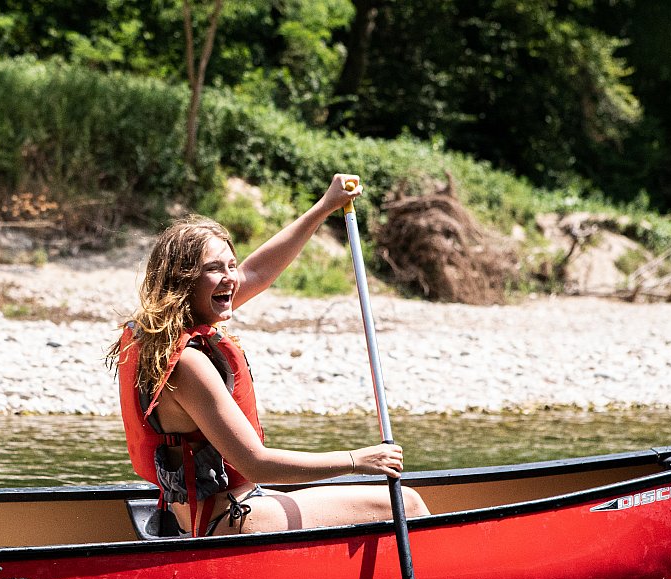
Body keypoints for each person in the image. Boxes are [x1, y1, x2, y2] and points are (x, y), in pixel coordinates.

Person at [109, 173, 430, 537]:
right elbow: (257, 464)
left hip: (232, 505)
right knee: (409, 503)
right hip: (229, 519)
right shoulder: (188, 363)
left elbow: (258, 271)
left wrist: (325, 207)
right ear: (183, 281)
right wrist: (358, 460)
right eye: (215, 269)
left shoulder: (155, 333)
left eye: (231, 265)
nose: (231, 277)